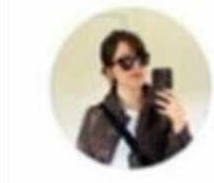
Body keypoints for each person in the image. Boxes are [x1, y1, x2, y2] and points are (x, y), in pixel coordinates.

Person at [75, 30, 191, 168]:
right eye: (126, 61)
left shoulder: (165, 112)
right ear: (109, 71)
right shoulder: (94, 117)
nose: (136, 66)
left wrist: (179, 125)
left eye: (141, 58)